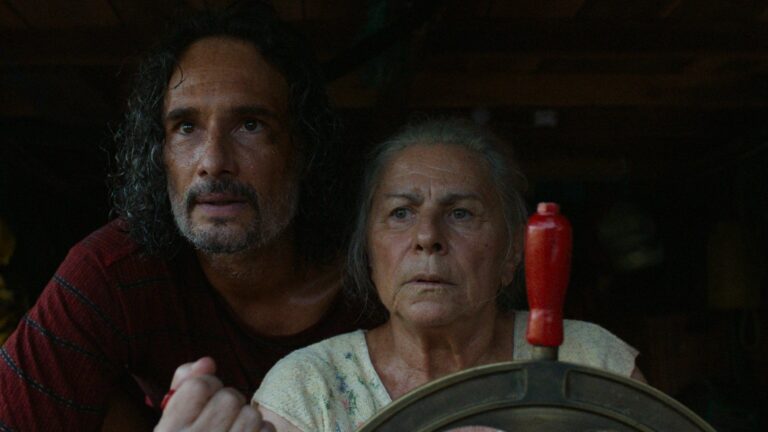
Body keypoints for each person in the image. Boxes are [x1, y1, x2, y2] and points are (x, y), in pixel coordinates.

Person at [0, 2, 378, 431]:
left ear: (302, 149)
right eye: (186, 127)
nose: (213, 162)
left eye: (250, 125)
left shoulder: (380, 272)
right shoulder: (115, 270)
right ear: (158, 152)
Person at [157, 119, 645, 432]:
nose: (427, 237)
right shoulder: (309, 390)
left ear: (513, 253)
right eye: (400, 213)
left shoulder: (591, 363)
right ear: (368, 252)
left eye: (461, 214)